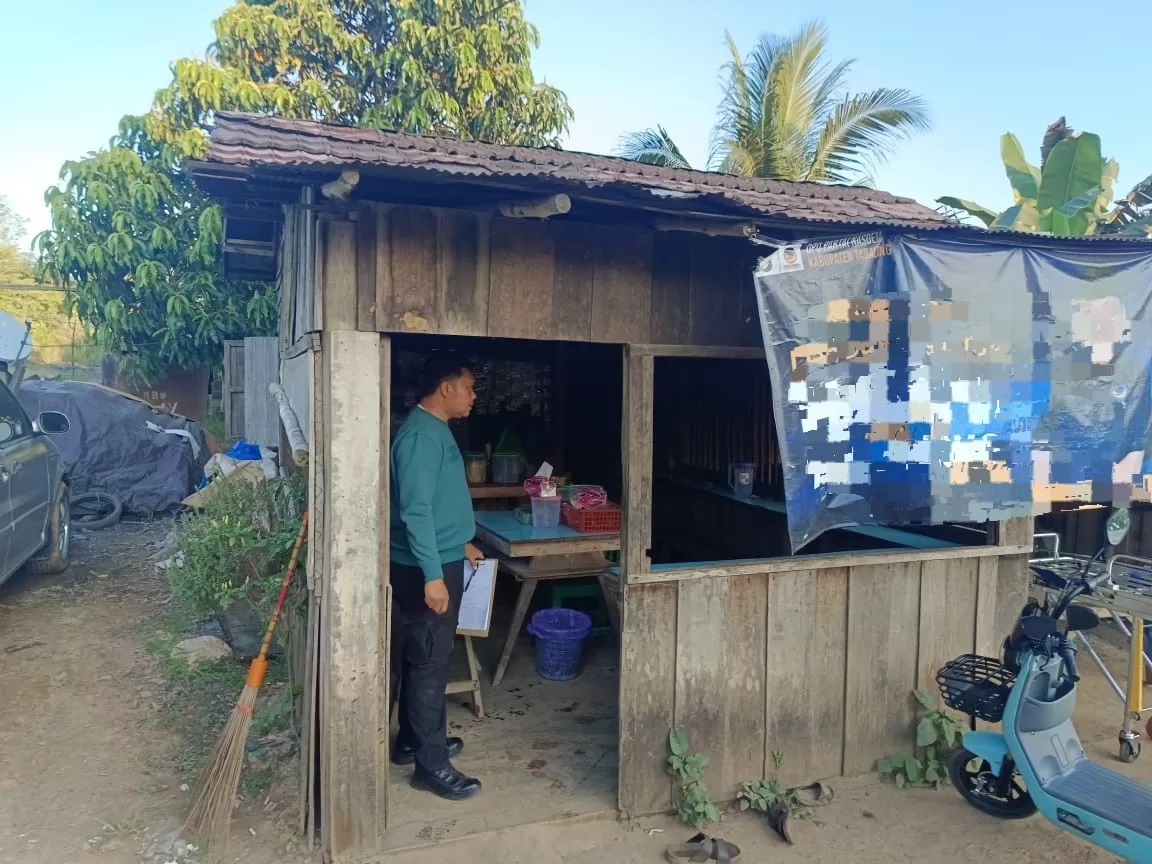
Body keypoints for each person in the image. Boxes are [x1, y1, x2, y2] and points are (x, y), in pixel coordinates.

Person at [389, 350, 485, 800]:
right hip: (422, 566)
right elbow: (416, 509)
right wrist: (433, 574)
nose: (473, 396)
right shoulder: (421, 439)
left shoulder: (434, 431)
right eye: (468, 387)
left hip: (440, 555)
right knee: (429, 663)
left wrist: (458, 541)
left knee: (422, 656)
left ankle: (413, 740)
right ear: (446, 388)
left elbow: (437, 501)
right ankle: (431, 765)